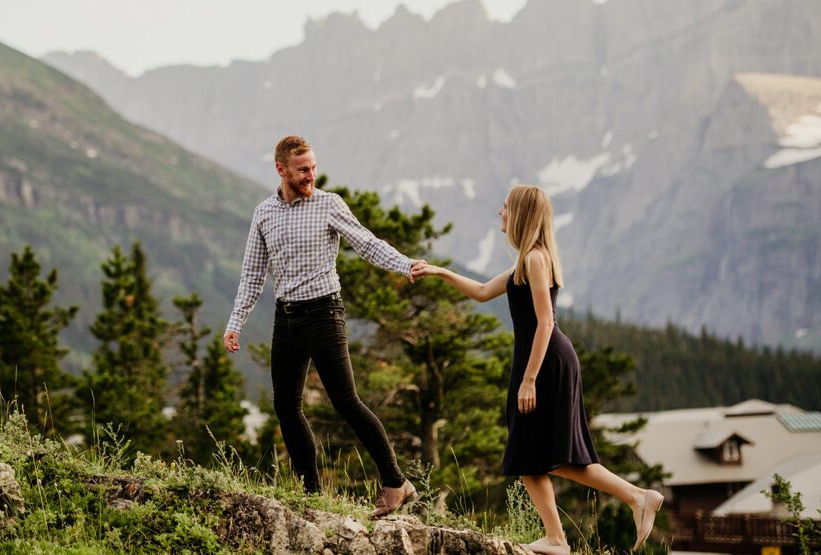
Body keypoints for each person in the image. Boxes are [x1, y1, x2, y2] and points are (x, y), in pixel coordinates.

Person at [411, 184, 663, 554]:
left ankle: (589, 522)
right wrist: (438, 271)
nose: (500, 213)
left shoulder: (535, 259)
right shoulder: (527, 259)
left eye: (505, 207)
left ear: (522, 214)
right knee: (538, 455)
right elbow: (482, 291)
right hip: (538, 359)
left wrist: (529, 379)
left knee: (533, 452)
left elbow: (545, 323)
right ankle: (618, 507)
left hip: (543, 362)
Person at [224, 135, 424, 518]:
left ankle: (396, 481)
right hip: (287, 319)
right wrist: (236, 323)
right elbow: (252, 274)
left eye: (313, 168)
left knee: (346, 401)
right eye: (302, 170)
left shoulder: (328, 205)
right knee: (286, 406)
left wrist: (405, 264)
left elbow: (366, 243)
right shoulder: (264, 213)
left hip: (324, 313)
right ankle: (311, 496)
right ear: (281, 169)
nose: (310, 175)